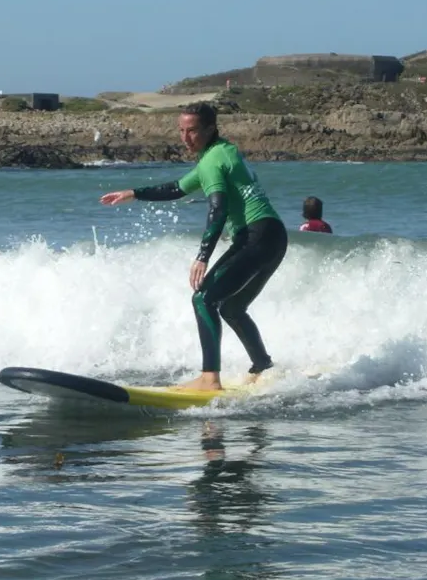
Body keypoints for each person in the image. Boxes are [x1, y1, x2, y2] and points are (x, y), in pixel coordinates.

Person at [100, 102, 287, 392]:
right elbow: (177, 188)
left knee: (203, 299)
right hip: (273, 236)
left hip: (256, 235)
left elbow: (218, 207)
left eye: (193, 131)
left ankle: (209, 378)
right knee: (233, 307)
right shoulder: (222, 152)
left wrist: (202, 257)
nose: (186, 138)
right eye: (181, 131)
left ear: (210, 129)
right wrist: (134, 193)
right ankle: (263, 367)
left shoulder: (212, 161)